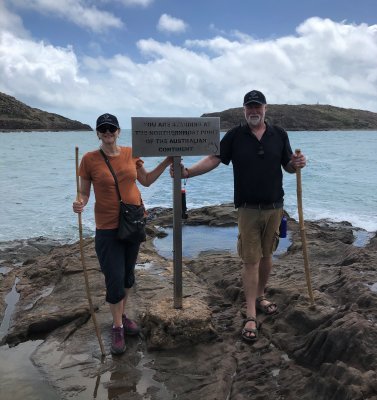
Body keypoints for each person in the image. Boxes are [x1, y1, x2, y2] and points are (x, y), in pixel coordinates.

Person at [174, 90, 306, 342]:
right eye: (249, 107)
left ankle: (260, 295)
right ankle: (250, 314)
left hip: (275, 207)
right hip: (247, 209)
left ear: (265, 108)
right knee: (250, 260)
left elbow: (288, 166)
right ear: (243, 110)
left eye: (257, 107)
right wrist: (188, 172)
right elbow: (215, 158)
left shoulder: (279, 134)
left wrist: (297, 162)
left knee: (267, 256)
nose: (253, 111)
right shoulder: (235, 136)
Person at [73, 113, 172, 355]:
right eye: (103, 129)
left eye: (112, 129)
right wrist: (79, 201)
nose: (108, 133)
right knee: (114, 278)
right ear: (98, 133)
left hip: (134, 222)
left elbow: (146, 181)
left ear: (118, 131)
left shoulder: (131, 153)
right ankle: (117, 327)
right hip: (107, 227)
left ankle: (121, 315)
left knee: (128, 276)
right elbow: (84, 193)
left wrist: (168, 161)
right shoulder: (89, 159)